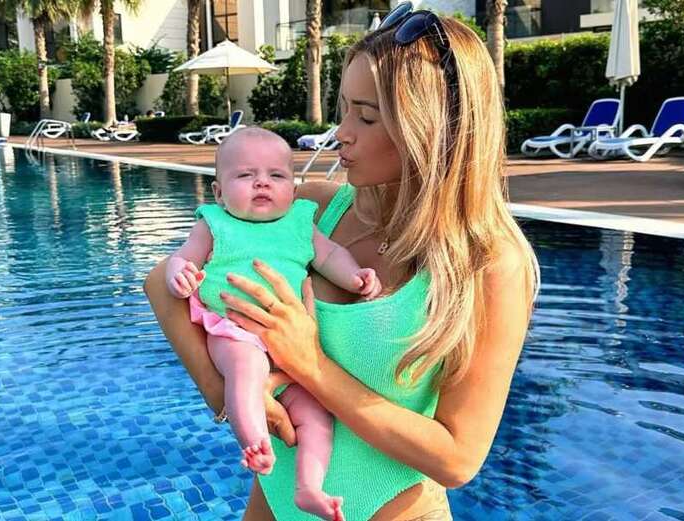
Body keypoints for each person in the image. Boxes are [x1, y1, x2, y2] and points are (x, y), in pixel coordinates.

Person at [144, 3, 539, 520]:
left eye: (367, 116)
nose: (341, 133)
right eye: (345, 109)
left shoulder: (488, 264)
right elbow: (161, 283)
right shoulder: (313, 210)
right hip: (275, 500)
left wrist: (309, 363)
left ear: (432, 130)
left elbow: (459, 458)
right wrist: (227, 393)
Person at [166, 127, 380, 521]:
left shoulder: (299, 222)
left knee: (316, 415)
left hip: (293, 347)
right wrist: (179, 275)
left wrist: (354, 276)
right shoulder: (214, 224)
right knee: (245, 371)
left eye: (276, 175)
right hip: (235, 331)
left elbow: (330, 254)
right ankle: (255, 441)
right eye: (246, 175)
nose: (262, 182)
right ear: (218, 193)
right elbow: (182, 258)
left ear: (293, 189)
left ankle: (309, 487)